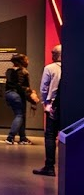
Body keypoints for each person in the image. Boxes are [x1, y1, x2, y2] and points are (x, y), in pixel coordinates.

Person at [34, 45, 62, 176]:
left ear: (55, 54)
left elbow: (44, 88)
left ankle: (49, 166)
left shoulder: (50, 68)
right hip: (69, 106)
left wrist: (45, 103)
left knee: (50, 136)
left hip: (54, 105)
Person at [3, 53, 31, 145]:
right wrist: (30, 93)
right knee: (19, 115)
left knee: (20, 115)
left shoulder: (9, 71)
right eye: (26, 59)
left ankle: (23, 138)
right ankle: (10, 137)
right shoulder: (23, 72)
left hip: (9, 94)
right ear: (22, 61)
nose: (28, 61)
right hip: (17, 94)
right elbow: (21, 86)